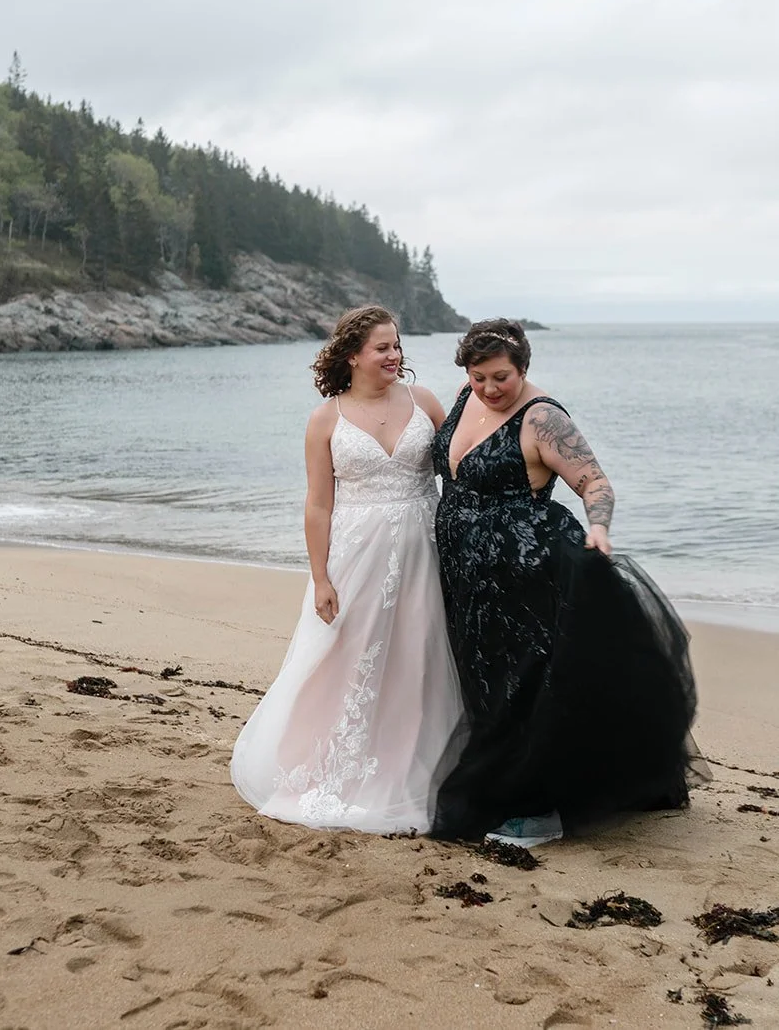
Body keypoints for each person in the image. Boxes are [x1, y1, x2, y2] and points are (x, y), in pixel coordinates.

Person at [430, 318, 704, 847]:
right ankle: (506, 791)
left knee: (524, 688)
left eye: (501, 377)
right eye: (478, 375)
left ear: (524, 368)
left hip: (526, 574)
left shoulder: (543, 418)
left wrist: (599, 526)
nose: (489, 387)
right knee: (483, 684)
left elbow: (594, 481)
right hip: (468, 575)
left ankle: (538, 811)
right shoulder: (468, 396)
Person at [231, 304, 462, 834]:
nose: (394, 355)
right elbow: (318, 505)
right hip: (356, 557)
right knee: (344, 658)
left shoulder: (424, 401)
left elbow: (460, 465)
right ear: (353, 355)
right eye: (382, 347)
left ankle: (421, 765)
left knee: (420, 656)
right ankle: (327, 765)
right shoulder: (326, 419)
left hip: (427, 549)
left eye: (397, 346)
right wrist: (320, 577)